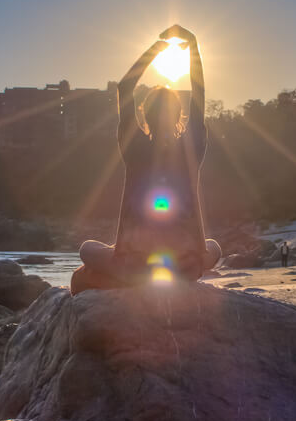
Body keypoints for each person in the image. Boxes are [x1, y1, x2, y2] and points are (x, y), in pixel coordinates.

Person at [70, 25, 221, 294]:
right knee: (214, 246)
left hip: (134, 265)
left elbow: (125, 86)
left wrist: (156, 49)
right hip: (186, 266)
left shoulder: (136, 149)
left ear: (145, 115)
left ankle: (124, 280)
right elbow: (198, 92)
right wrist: (193, 45)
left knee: (87, 249)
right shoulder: (192, 149)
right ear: (179, 115)